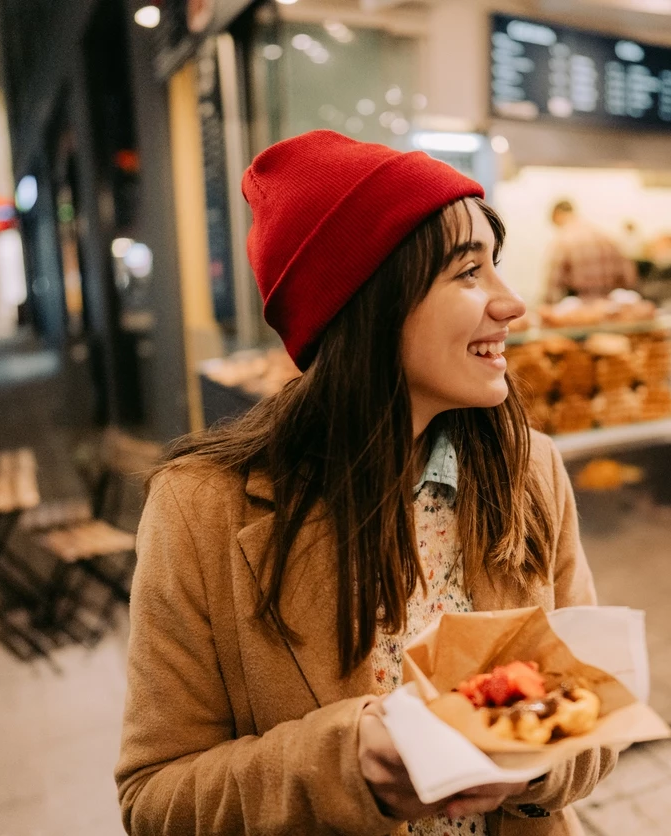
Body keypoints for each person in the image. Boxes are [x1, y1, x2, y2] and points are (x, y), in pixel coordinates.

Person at [116, 130, 615, 835]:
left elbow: (594, 711)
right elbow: (155, 799)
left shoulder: (529, 471)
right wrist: (345, 764)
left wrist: (533, 756)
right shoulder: (201, 511)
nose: (512, 305)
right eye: (468, 273)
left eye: (495, 266)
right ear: (367, 304)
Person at [543, 200, 637, 303]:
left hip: (578, 310)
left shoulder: (562, 241)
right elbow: (629, 278)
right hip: (610, 308)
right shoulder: (606, 237)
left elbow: (552, 287)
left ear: (557, 215)